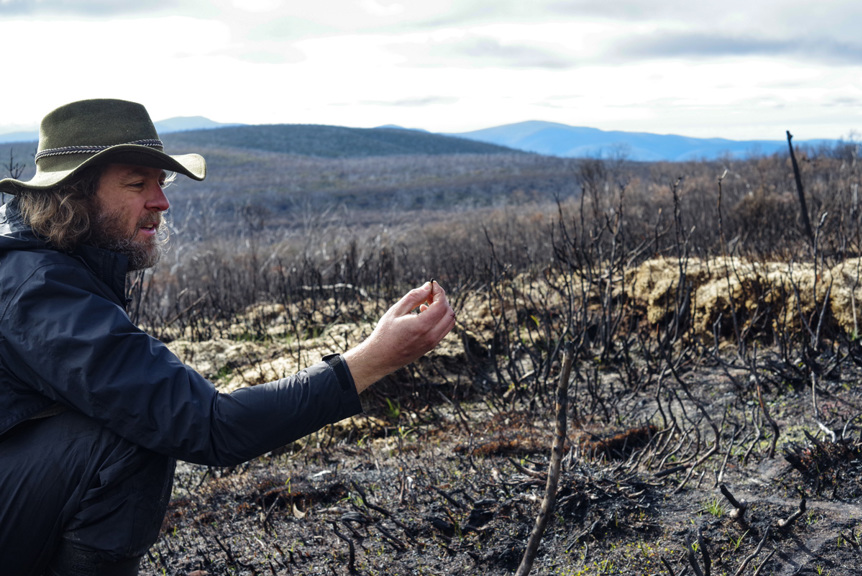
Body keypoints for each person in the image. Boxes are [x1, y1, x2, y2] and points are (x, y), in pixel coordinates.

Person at [0, 99, 455, 575]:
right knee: (129, 439)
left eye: (161, 183)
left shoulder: (47, 269)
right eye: (137, 183)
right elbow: (208, 426)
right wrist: (372, 359)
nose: (161, 202)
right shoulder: (40, 294)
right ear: (74, 195)